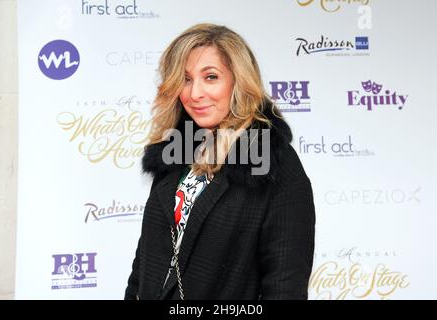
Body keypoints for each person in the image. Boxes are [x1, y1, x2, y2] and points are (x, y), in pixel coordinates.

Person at [125, 23, 315, 300]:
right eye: (186, 79)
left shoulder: (273, 162)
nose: (194, 93)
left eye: (211, 77)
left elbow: (285, 286)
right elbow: (144, 264)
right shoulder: (175, 150)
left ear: (239, 81)